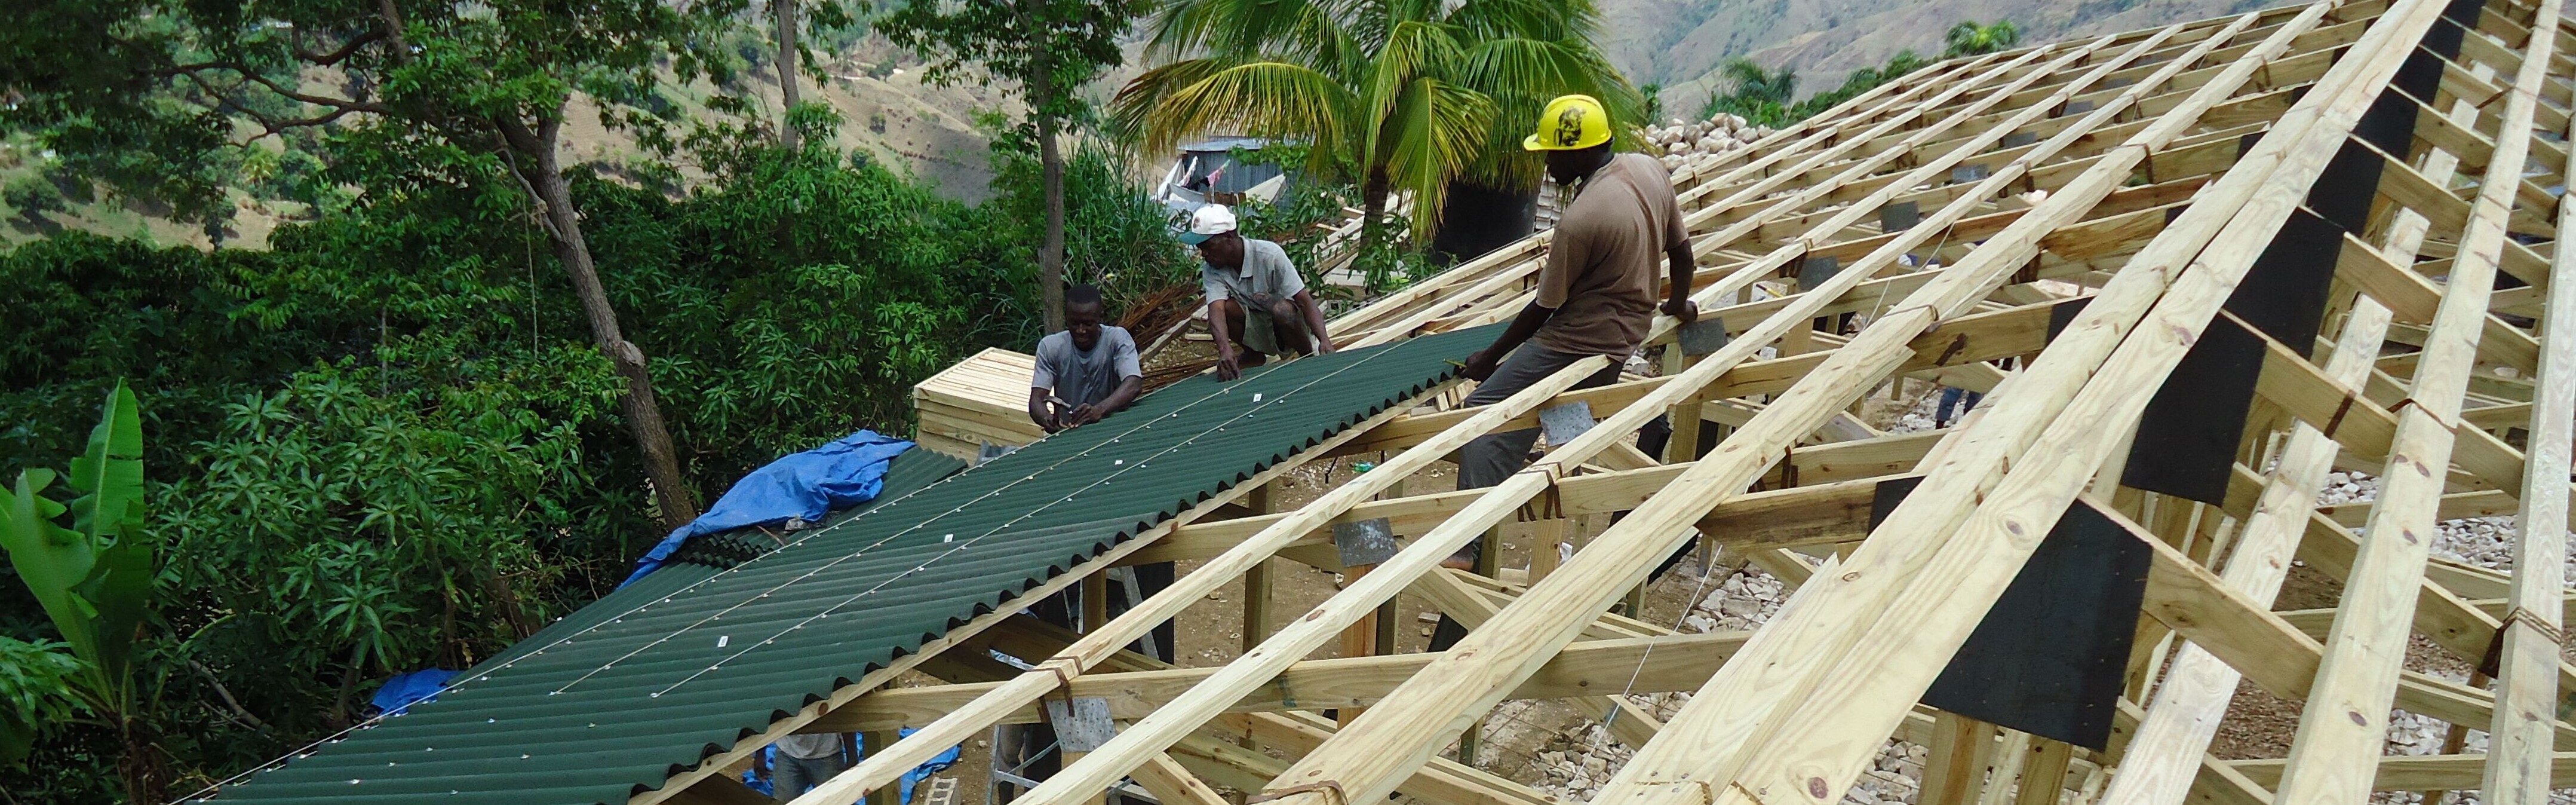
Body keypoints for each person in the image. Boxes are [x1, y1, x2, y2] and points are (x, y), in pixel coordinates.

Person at [1446, 93, 1698, 568]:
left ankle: (1466, 545)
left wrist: (1489, 357)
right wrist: (1678, 302)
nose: (1544, 164)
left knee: (1484, 415)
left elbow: (1543, 308)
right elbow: (1683, 255)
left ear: (1578, 153)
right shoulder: (1647, 169)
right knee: (1565, 420)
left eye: (1550, 154)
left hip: (1579, 340)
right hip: (1625, 336)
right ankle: (1562, 480)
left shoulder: (1580, 221)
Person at [1180, 204, 1335, 380]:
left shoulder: (1269, 255)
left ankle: (1307, 356)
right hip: (1259, 323)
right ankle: (1254, 354)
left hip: (1291, 326)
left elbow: (1304, 301)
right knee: (1226, 310)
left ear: (1229, 237)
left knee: (1282, 310)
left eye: (1208, 246)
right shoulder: (1212, 269)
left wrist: (1325, 340)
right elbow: (1216, 309)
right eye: (1201, 248)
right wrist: (1225, 350)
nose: (1204, 254)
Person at [1028, 284, 1144, 433]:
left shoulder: (1117, 339)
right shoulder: (1050, 347)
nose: (1081, 330)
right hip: (1070, 433)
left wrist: (1099, 410)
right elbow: (1036, 400)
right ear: (1066, 318)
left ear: (1100, 318)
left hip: (1114, 430)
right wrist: (1047, 419)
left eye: (1088, 324)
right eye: (1075, 323)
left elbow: (1134, 384)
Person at [768, 732, 851, 801]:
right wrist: (760, 754)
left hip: (826, 752)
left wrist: (852, 757)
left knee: (835, 800)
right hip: (787, 750)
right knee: (783, 800)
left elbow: (847, 719)